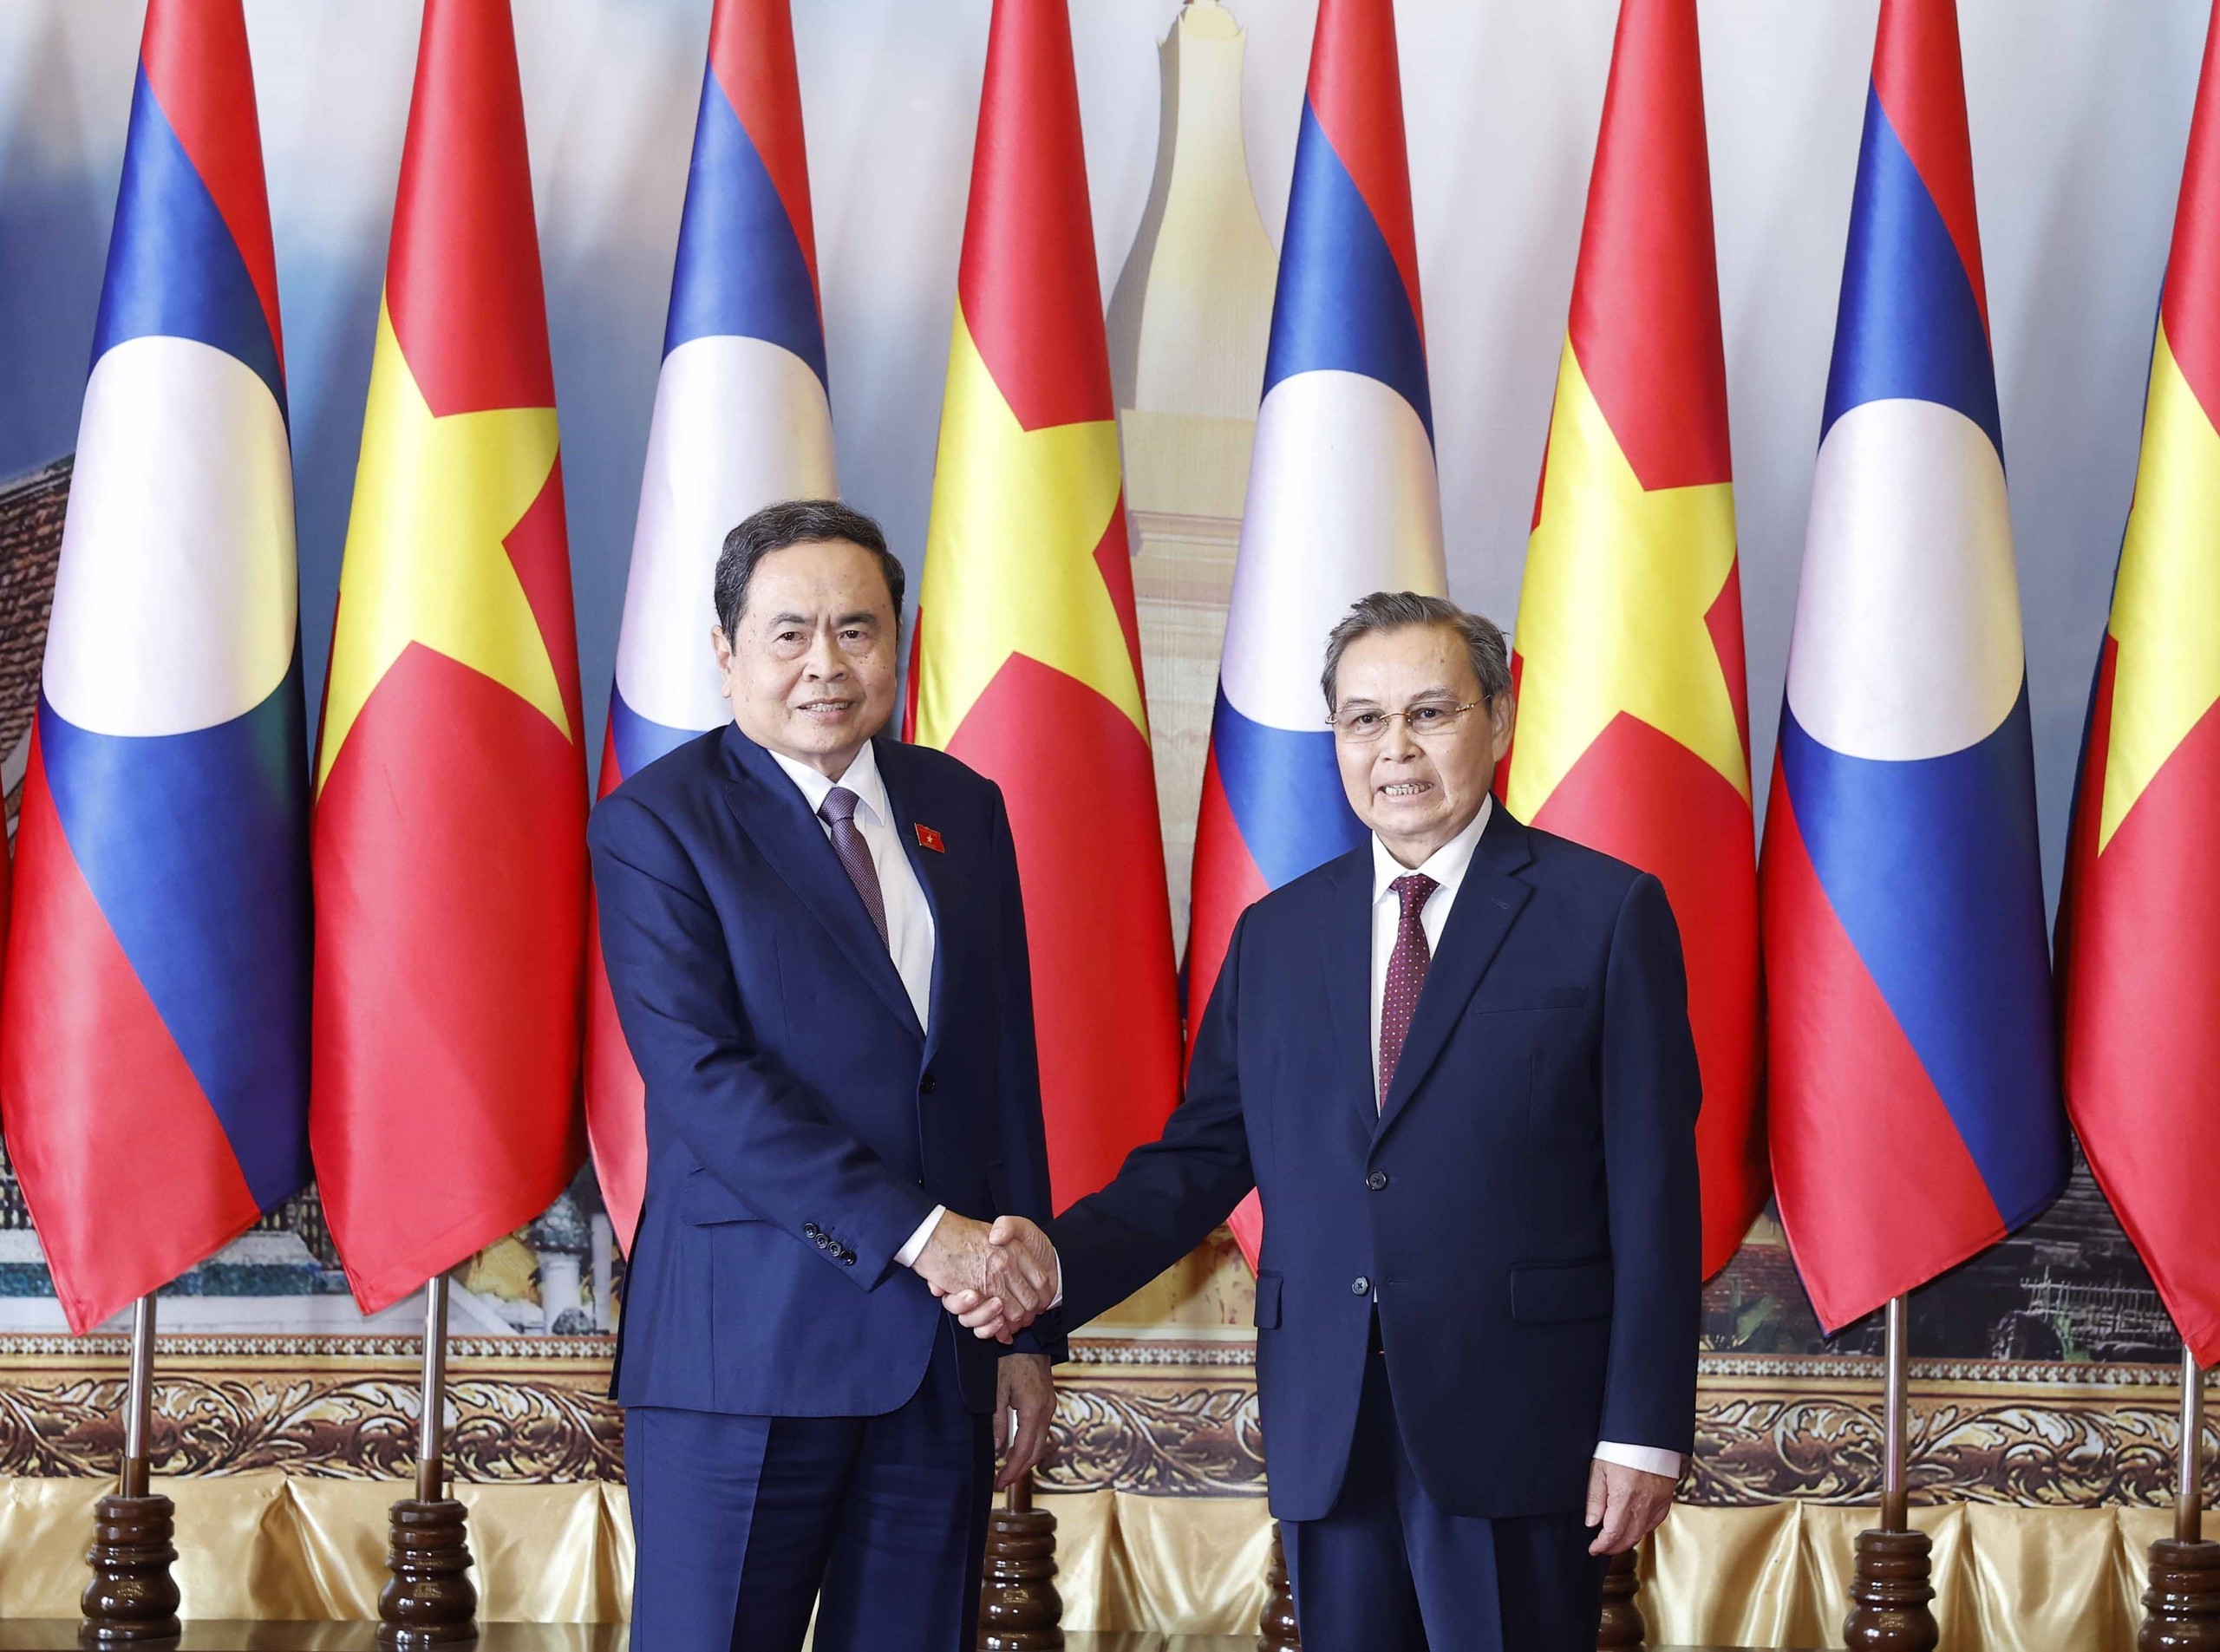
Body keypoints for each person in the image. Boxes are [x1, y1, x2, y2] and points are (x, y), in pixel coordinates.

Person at [948, 591, 1701, 1651]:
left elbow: (1656, 1194)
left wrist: (1643, 1430)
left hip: (1520, 1427)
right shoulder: (1277, 933)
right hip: (1328, 1426)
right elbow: (1200, 1159)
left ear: (1498, 717)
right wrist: (1053, 1267)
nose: (1395, 749)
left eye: (1429, 713)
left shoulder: (1606, 914)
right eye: (1363, 720)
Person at [590, 498, 1061, 1652]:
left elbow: (999, 1074)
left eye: (856, 630)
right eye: (789, 633)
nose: (825, 665)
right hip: (743, 1354)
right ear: (726, 651)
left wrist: (1023, 1333)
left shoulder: (963, 808)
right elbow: (709, 1083)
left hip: (941, 1356)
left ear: (898, 641)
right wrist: (925, 1237)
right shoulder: (659, 825)